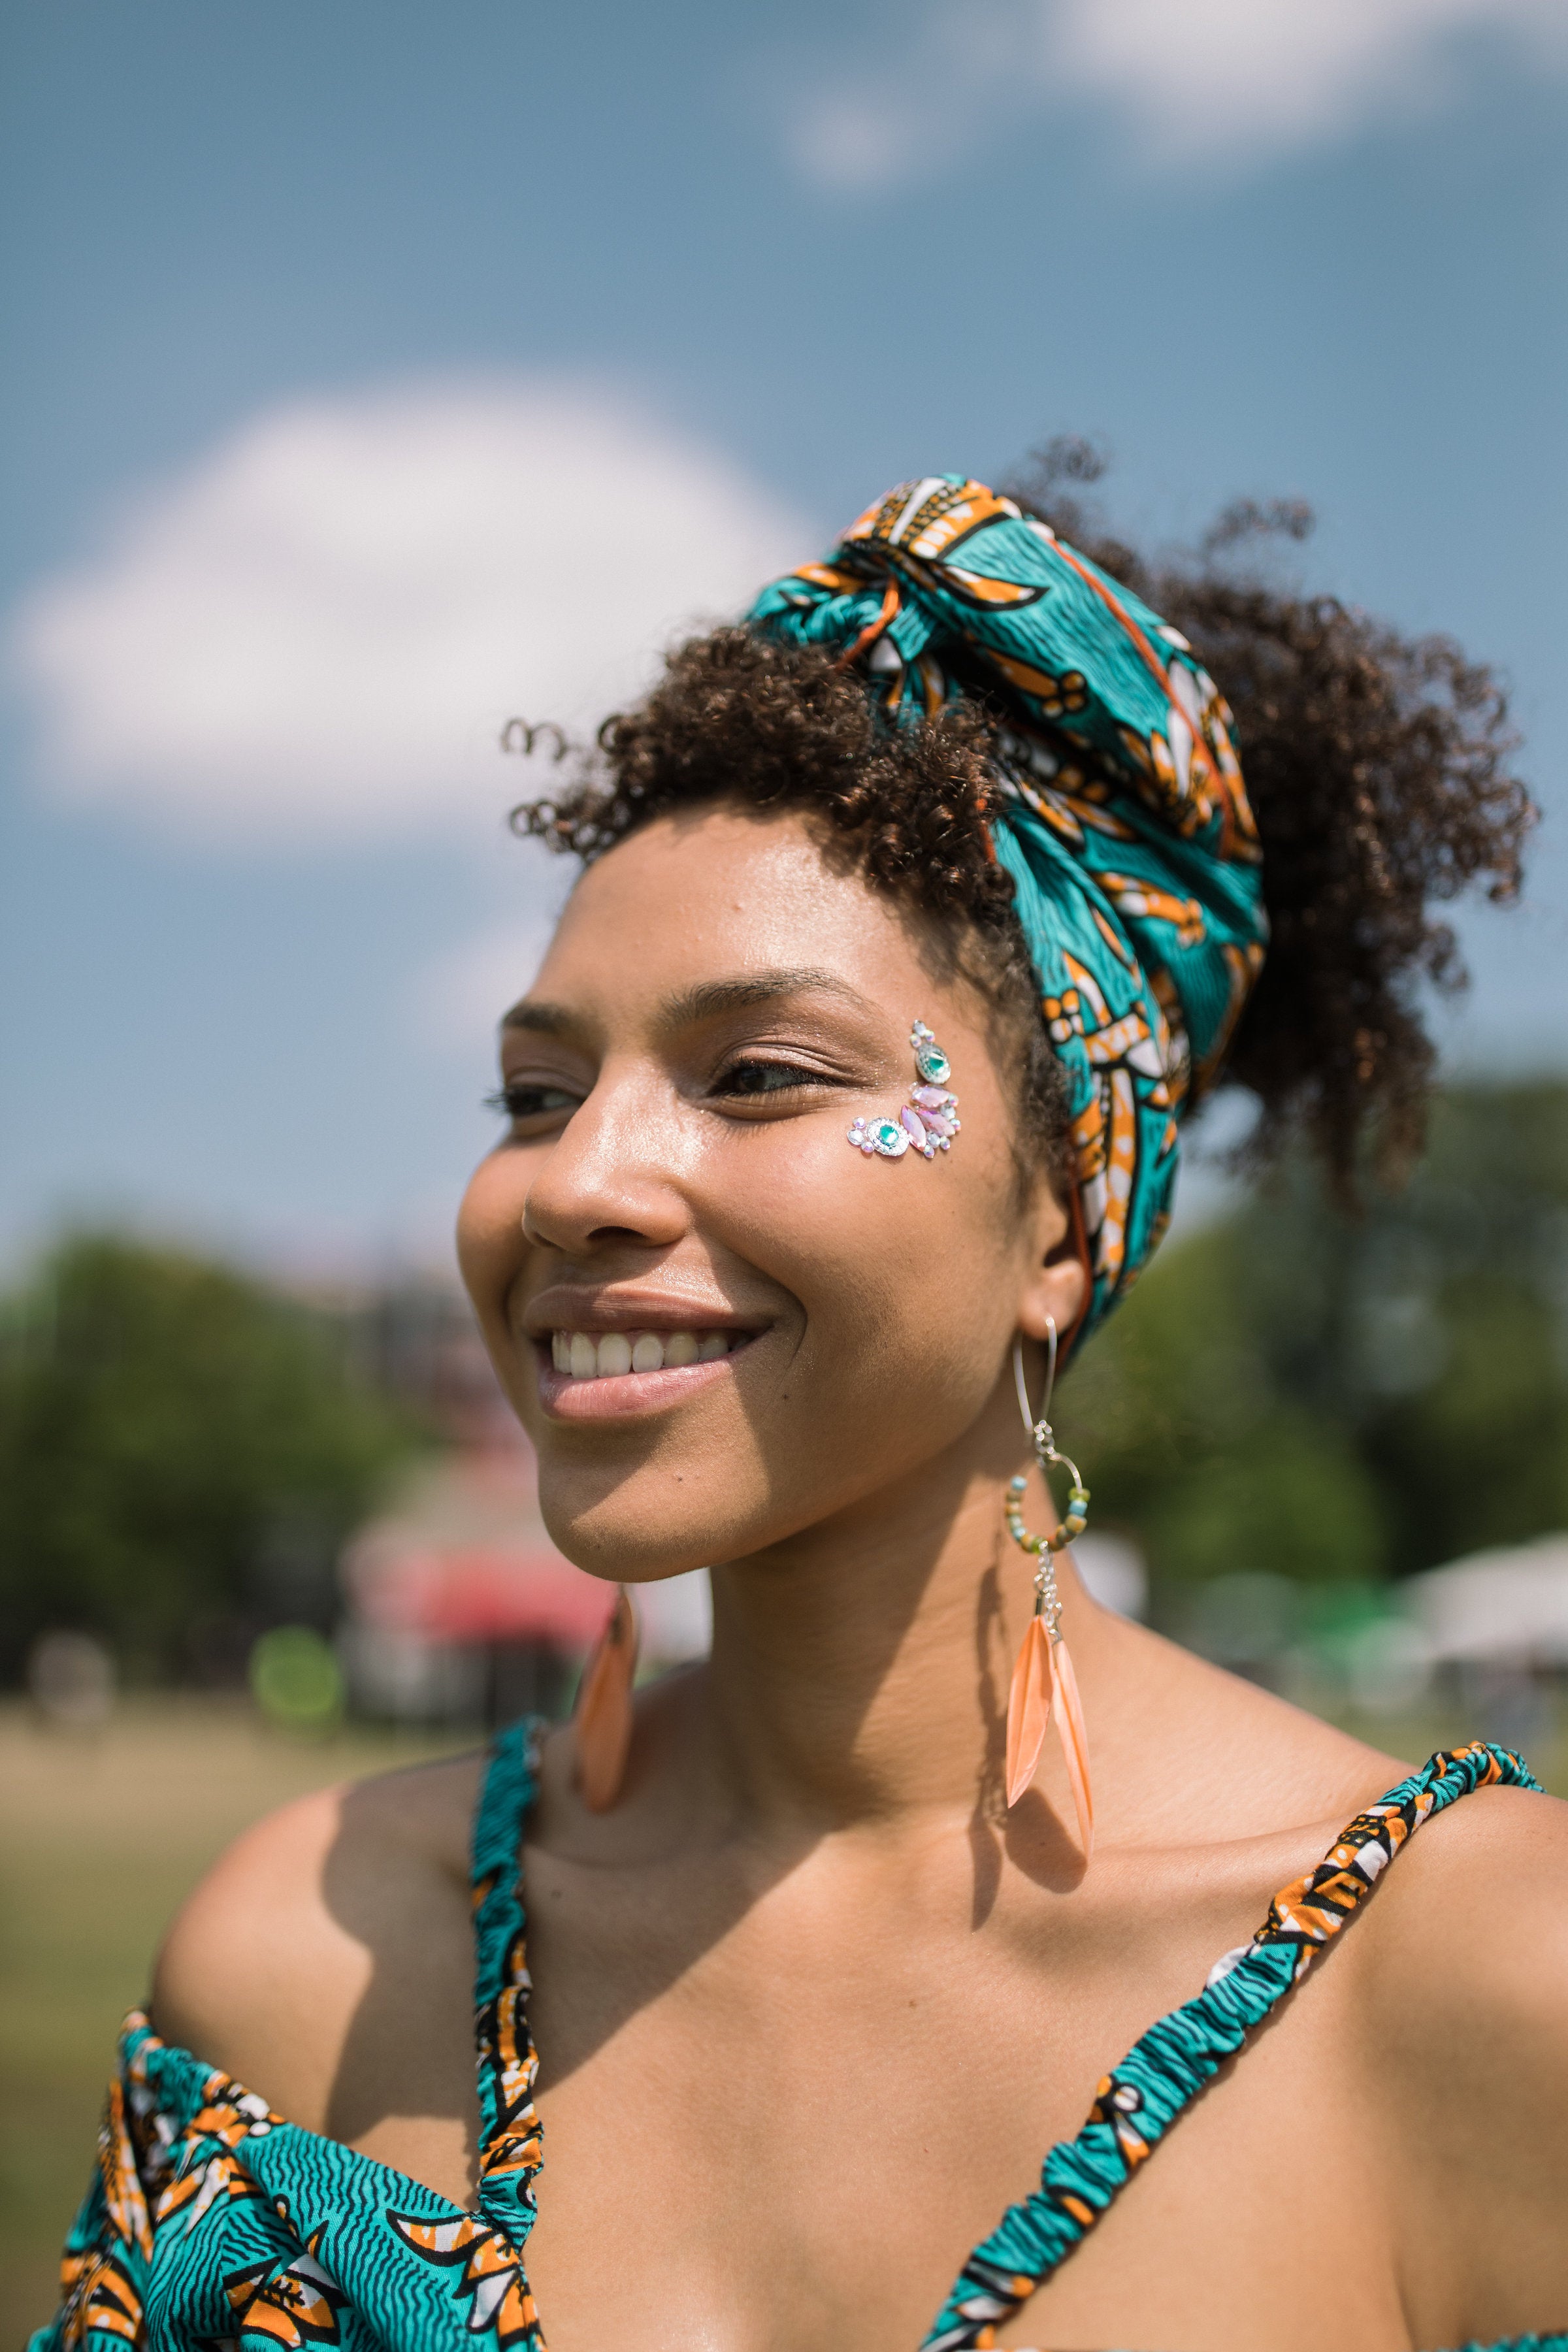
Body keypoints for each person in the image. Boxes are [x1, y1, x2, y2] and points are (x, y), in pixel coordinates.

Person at [36, 468, 1567, 2352]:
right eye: (533, 1094)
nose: (575, 1182)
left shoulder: (1486, 1994)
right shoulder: (314, 1957)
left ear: (1064, 1219)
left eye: (757, 1073)